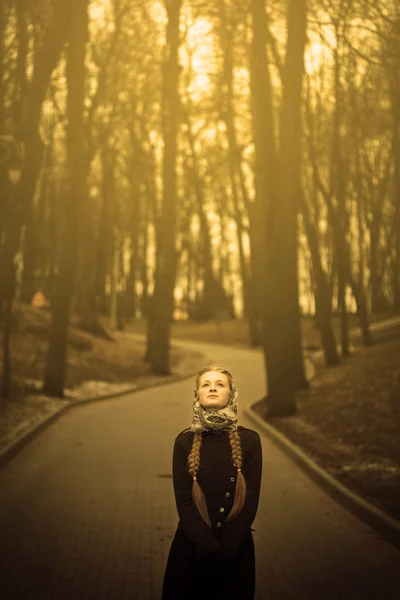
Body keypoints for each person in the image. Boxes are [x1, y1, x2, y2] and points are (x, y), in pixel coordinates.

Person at [162, 365, 263, 600]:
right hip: (191, 551)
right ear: (197, 394)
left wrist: (227, 551)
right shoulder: (184, 441)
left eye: (220, 384)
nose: (213, 388)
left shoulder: (250, 441)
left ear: (232, 393)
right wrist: (207, 547)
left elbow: (250, 500)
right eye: (206, 384)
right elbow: (184, 502)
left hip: (235, 550)